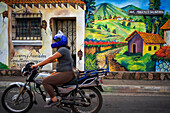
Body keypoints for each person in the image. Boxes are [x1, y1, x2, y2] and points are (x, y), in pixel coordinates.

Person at [31, 30, 75, 108]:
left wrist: (36, 65)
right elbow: (55, 60)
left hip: (65, 74)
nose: (54, 42)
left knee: (45, 81)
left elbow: (51, 58)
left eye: (56, 40)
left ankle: (54, 100)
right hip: (65, 73)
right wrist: (44, 64)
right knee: (50, 77)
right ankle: (58, 95)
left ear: (60, 41)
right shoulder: (63, 50)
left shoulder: (62, 49)